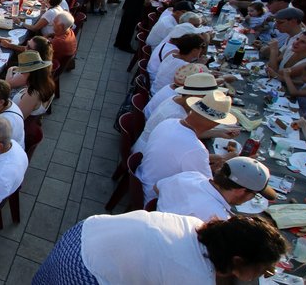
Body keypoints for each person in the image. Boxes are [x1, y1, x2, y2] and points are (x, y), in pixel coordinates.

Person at [33, 212, 287, 285]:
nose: (264, 274)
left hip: (84, 233)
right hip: (85, 272)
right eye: (263, 270)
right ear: (238, 261)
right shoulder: (196, 278)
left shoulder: (196, 225)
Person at [137, 91, 237, 204]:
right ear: (215, 123)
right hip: (153, 197)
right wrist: (225, 162)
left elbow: (178, 153)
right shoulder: (195, 150)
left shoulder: (170, 122)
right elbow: (209, 189)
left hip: (142, 179)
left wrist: (211, 159)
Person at [156, 157, 277, 222]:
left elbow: (157, 187)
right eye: (254, 194)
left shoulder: (191, 175)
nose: (252, 198)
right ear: (241, 191)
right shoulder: (218, 219)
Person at [8, 51, 56, 119]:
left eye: (22, 72)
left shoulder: (32, 95)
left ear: (30, 74)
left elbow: (18, 117)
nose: (21, 74)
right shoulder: (47, 82)